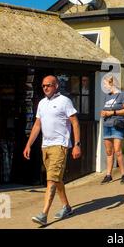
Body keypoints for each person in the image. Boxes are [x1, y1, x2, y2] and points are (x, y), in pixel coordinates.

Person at [23, 75, 81, 226]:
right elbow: (37, 125)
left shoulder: (64, 101)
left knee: (51, 180)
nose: (45, 88)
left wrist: (77, 144)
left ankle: (44, 214)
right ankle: (67, 207)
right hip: (45, 146)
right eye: (43, 86)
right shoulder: (42, 103)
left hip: (60, 146)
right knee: (57, 179)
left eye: (48, 85)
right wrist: (28, 144)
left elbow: (75, 122)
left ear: (56, 86)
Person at [100, 75, 124, 184]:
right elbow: (105, 109)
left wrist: (112, 112)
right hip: (107, 125)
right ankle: (108, 175)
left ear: (112, 83)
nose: (104, 86)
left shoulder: (122, 95)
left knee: (117, 150)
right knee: (109, 151)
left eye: (105, 83)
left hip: (118, 125)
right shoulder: (107, 96)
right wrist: (103, 113)